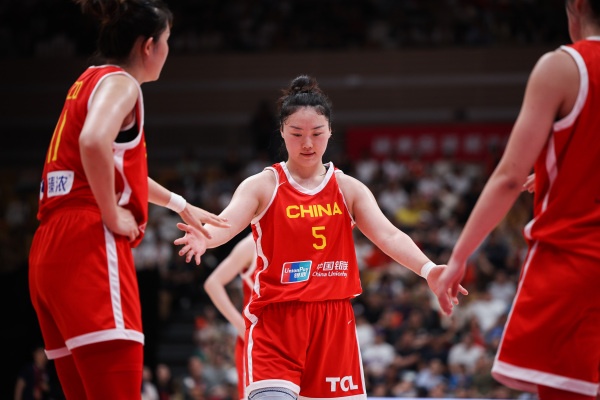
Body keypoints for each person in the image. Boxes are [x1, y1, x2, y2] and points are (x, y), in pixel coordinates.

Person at [174, 75, 466, 400]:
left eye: (316, 133)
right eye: (297, 134)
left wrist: (428, 269)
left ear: (330, 132)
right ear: (282, 131)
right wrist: (205, 238)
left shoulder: (348, 188)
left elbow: (388, 234)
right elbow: (226, 223)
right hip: (277, 322)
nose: (307, 143)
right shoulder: (262, 185)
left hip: (333, 323)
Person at [27, 1, 228, 399]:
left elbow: (116, 166)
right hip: (88, 240)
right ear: (148, 46)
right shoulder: (122, 83)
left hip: (49, 249)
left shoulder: (88, 79)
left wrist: (178, 203)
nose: (168, 51)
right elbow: (93, 142)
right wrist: (111, 211)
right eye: (167, 41)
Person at [434, 1, 600, 399]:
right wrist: (558, 171)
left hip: (577, 269)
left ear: (577, 5)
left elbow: (508, 178)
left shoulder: (564, 66)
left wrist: (459, 257)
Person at [204, 233, 257, 400]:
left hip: (293, 336)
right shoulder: (251, 244)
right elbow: (213, 283)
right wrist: (242, 327)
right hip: (257, 341)